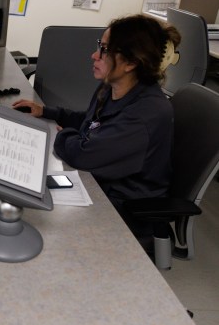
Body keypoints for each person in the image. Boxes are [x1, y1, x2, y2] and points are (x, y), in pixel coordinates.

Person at [13, 14, 181, 233]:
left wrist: (66, 135)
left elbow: (83, 156)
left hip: (124, 211)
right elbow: (90, 122)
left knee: (38, 219)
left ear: (130, 62)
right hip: (101, 185)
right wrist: (46, 111)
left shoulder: (145, 114)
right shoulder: (112, 88)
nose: (94, 55)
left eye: (104, 49)